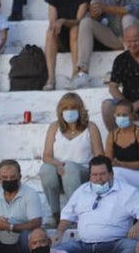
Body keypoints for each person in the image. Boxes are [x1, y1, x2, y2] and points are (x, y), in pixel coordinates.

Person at [40, 92, 103, 221]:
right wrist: (58, 164)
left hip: (83, 173)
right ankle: (55, 214)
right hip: (59, 172)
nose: (69, 111)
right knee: (46, 169)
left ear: (80, 110)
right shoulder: (54, 127)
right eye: (65, 108)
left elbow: (99, 156)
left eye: (73, 108)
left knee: (70, 168)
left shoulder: (91, 127)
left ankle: (74, 214)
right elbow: (46, 156)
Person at [98, 24, 139, 136]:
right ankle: (116, 140)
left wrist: (137, 105)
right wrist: (127, 107)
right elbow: (113, 87)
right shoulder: (121, 59)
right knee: (106, 106)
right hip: (126, 102)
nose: (132, 45)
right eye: (128, 41)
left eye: (135, 41)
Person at [42, 0, 93, 92]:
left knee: (75, 29)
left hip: (80, 38)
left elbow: (78, 20)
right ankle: (51, 78)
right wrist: (58, 24)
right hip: (61, 36)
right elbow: (53, 21)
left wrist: (63, 21)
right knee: (50, 32)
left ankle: (75, 73)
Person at [104, 100, 139, 194]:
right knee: (112, 175)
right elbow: (108, 162)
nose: (121, 118)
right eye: (118, 115)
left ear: (132, 115)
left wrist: (121, 164)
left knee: (116, 174)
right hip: (120, 174)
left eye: (124, 115)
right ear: (114, 115)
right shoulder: (112, 135)